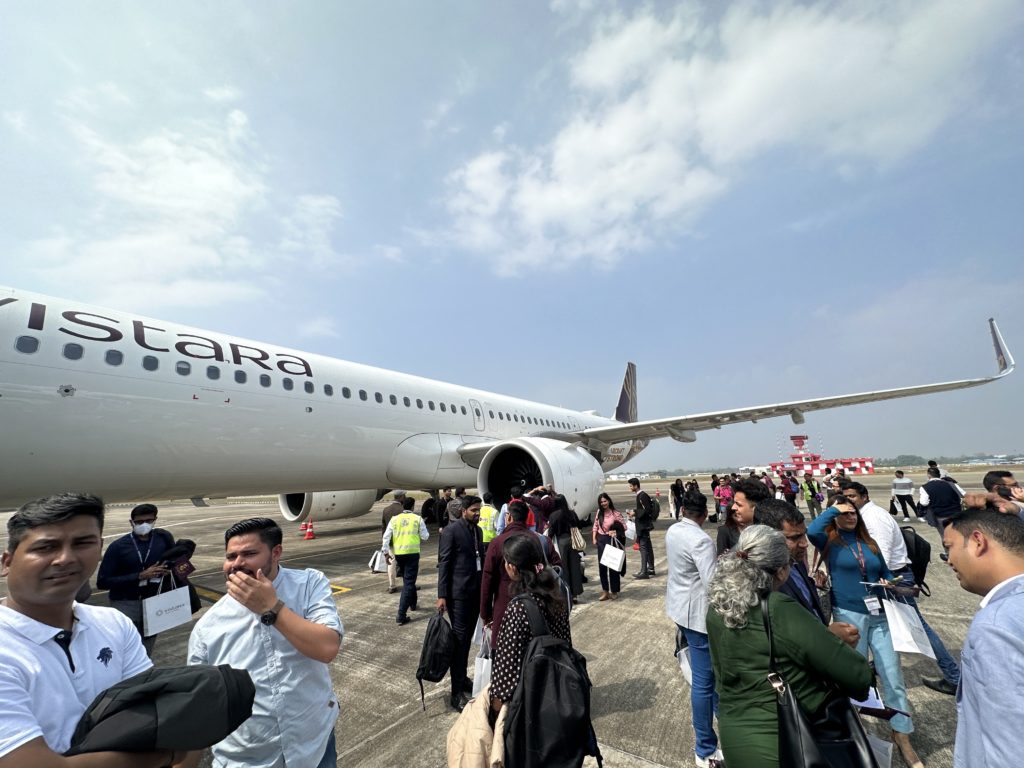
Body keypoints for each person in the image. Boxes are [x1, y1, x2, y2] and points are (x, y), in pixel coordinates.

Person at [0, 493, 192, 767]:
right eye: (45, 547)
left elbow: (153, 711)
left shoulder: (114, 623)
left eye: (82, 543)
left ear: (99, 547)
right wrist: (166, 755)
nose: (65, 558)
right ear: (6, 562)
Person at [706, 525, 872, 768]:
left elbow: (729, 669)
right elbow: (857, 675)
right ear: (781, 572)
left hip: (735, 739)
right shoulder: (777, 608)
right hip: (784, 744)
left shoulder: (717, 607)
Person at [187, 517, 343, 768]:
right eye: (231, 556)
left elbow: (327, 647)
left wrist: (271, 607)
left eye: (249, 553)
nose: (237, 564)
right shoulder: (208, 627)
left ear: (276, 552)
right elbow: (199, 706)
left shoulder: (308, 584)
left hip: (313, 745)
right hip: (249, 758)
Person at [806, 498, 923, 768]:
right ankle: (853, 729)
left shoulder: (869, 544)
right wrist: (835, 508)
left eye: (854, 512)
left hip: (879, 614)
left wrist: (887, 580)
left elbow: (883, 570)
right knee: (853, 677)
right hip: (849, 614)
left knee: (893, 675)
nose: (851, 517)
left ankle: (902, 734)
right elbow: (813, 530)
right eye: (845, 513)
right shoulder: (830, 543)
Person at [843, 481, 961, 695]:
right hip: (885, 578)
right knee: (884, 625)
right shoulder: (864, 516)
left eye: (852, 496)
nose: (849, 500)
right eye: (845, 497)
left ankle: (954, 676)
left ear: (864, 496)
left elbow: (882, 555)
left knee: (918, 628)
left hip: (894, 579)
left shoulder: (874, 518)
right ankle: (881, 663)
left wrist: (875, 580)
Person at [942, 510, 1024, 768]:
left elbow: (1012, 749)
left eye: (949, 548)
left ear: (978, 542)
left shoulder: (996, 624)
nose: (948, 560)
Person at [664, 494, 722, 768]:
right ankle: (705, 748)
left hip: (679, 607)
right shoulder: (701, 540)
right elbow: (712, 583)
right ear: (705, 513)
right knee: (704, 680)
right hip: (697, 614)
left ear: (683, 509)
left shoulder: (674, 530)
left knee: (704, 675)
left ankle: (719, 714)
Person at [756, 498, 859, 647]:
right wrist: (828, 636)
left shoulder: (795, 562)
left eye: (804, 534)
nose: (805, 544)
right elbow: (783, 637)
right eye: (794, 537)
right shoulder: (764, 579)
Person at [488, 536, 571, 714]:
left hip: (530, 697)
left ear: (512, 568)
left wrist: (494, 710)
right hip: (556, 685)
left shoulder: (518, 608)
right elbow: (565, 641)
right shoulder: (556, 596)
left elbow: (506, 669)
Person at [95, 502, 177, 655]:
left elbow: (174, 560)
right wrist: (140, 576)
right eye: (139, 522)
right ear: (131, 523)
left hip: (153, 602)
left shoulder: (163, 539)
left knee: (147, 648)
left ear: (155, 520)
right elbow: (103, 582)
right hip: (125, 603)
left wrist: (169, 569)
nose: (144, 525)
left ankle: (143, 675)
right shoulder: (118, 547)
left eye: (149, 521)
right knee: (123, 647)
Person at [480, 500, 561, 648]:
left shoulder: (497, 542)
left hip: (504, 604)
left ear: (508, 517)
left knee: (505, 650)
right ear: (527, 518)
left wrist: (485, 614)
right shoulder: (537, 539)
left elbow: (487, 579)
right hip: (534, 603)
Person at [437, 495, 487, 712]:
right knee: (459, 643)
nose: (478, 514)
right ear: (464, 510)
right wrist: (442, 595)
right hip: (458, 596)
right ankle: (456, 693)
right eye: (474, 510)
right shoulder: (451, 531)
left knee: (467, 640)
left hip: (475, 593)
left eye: (479, 510)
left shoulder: (478, 531)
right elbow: (444, 563)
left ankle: (462, 677)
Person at [382, 496, 429, 625]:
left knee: (408, 580)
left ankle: (413, 604)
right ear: (413, 507)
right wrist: (419, 530)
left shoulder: (395, 519)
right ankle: (401, 614)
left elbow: (386, 537)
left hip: (399, 554)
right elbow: (425, 537)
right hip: (412, 554)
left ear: (403, 506)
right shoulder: (417, 519)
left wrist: (386, 553)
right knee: (409, 583)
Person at [716, 478, 769, 555]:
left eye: (739, 505)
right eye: (734, 503)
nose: (733, 507)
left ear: (756, 508)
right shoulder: (725, 531)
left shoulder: (771, 531)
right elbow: (721, 561)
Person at [546, 494, 584, 601]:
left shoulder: (554, 515)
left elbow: (551, 532)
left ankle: (566, 592)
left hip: (561, 541)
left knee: (564, 567)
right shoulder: (571, 513)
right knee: (574, 566)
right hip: (573, 540)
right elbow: (579, 525)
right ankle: (575, 593)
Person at [592, 493, 626, 601]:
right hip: (601, 540)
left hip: (611, 540)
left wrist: (615, 531)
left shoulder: (615, 513)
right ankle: (605, 591)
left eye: (605, 501)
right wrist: (594, 538)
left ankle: (614, 591)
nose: (603, 503)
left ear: (609, 501)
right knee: (602, 567)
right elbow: (595, 526)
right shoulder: (599, 513)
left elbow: (624, 526)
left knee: (613, 566)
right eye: (601, 502)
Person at [628, 478, 657, 579]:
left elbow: (648, 510)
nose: (630, 488)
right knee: (648, 547)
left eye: (631, 486)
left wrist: (635, 512)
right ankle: (651, 568)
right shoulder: (640, 495)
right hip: (643, 526)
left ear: (636, 486)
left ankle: (644, 571)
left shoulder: (642, 495)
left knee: (643, 548)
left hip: (643, 527)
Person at [380, 490, 406, 594]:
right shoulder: (402, 510)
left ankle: (392, 585)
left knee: (391, 564)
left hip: (391, 542)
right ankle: (407, 584)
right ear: (401, 497)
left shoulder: (386, 510)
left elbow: (383, 528)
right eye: (404, 496)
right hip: (402, 541)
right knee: (405, 564)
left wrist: (384, 543)